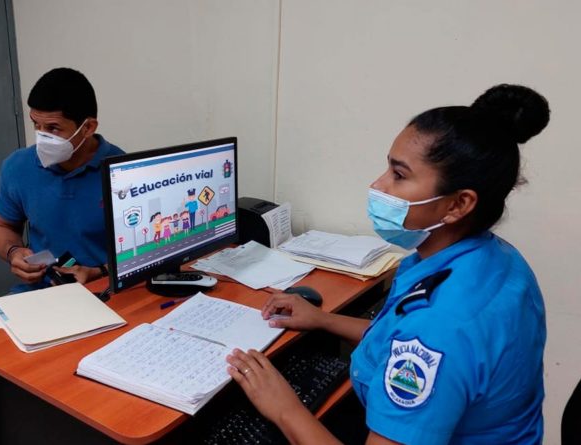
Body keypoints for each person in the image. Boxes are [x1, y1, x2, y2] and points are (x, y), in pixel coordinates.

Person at [225, 84, 550, 445]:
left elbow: (428, 340)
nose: (378, 185)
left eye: (399, 175)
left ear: (458, 205)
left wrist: (285, 408)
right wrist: (323, 320)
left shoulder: (440, 328)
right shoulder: (494, 260)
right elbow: (396, 335)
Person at [0, 67, 124, 440]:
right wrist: (14, 251)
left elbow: (143, 255)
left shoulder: (122, 171)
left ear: (88, 126)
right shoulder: (19, 167)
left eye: (53, 129)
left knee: (87, 386)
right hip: (42, 292)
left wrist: (96, 271)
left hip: (110, 296)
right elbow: (0, 227)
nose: (43, 139)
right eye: (37, 126)